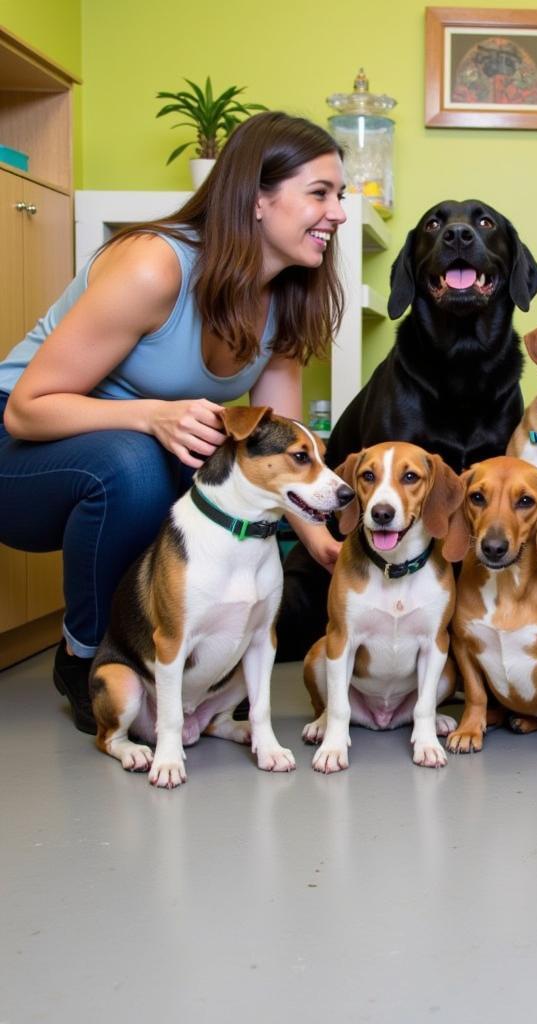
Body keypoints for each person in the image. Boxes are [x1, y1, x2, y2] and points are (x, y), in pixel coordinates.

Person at [0, 111, 347, 733]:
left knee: (200, 467)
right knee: (138, 462)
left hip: (116, 458)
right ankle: (84, 659)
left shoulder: (287, 300)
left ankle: (182, 667)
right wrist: (152, 416)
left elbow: (279, 456)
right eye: (320, 193)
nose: (339, 213)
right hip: (19, 453)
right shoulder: (154, 265)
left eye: (339, 195)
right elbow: (27, 408)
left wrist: (324, 539)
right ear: (258, 200)